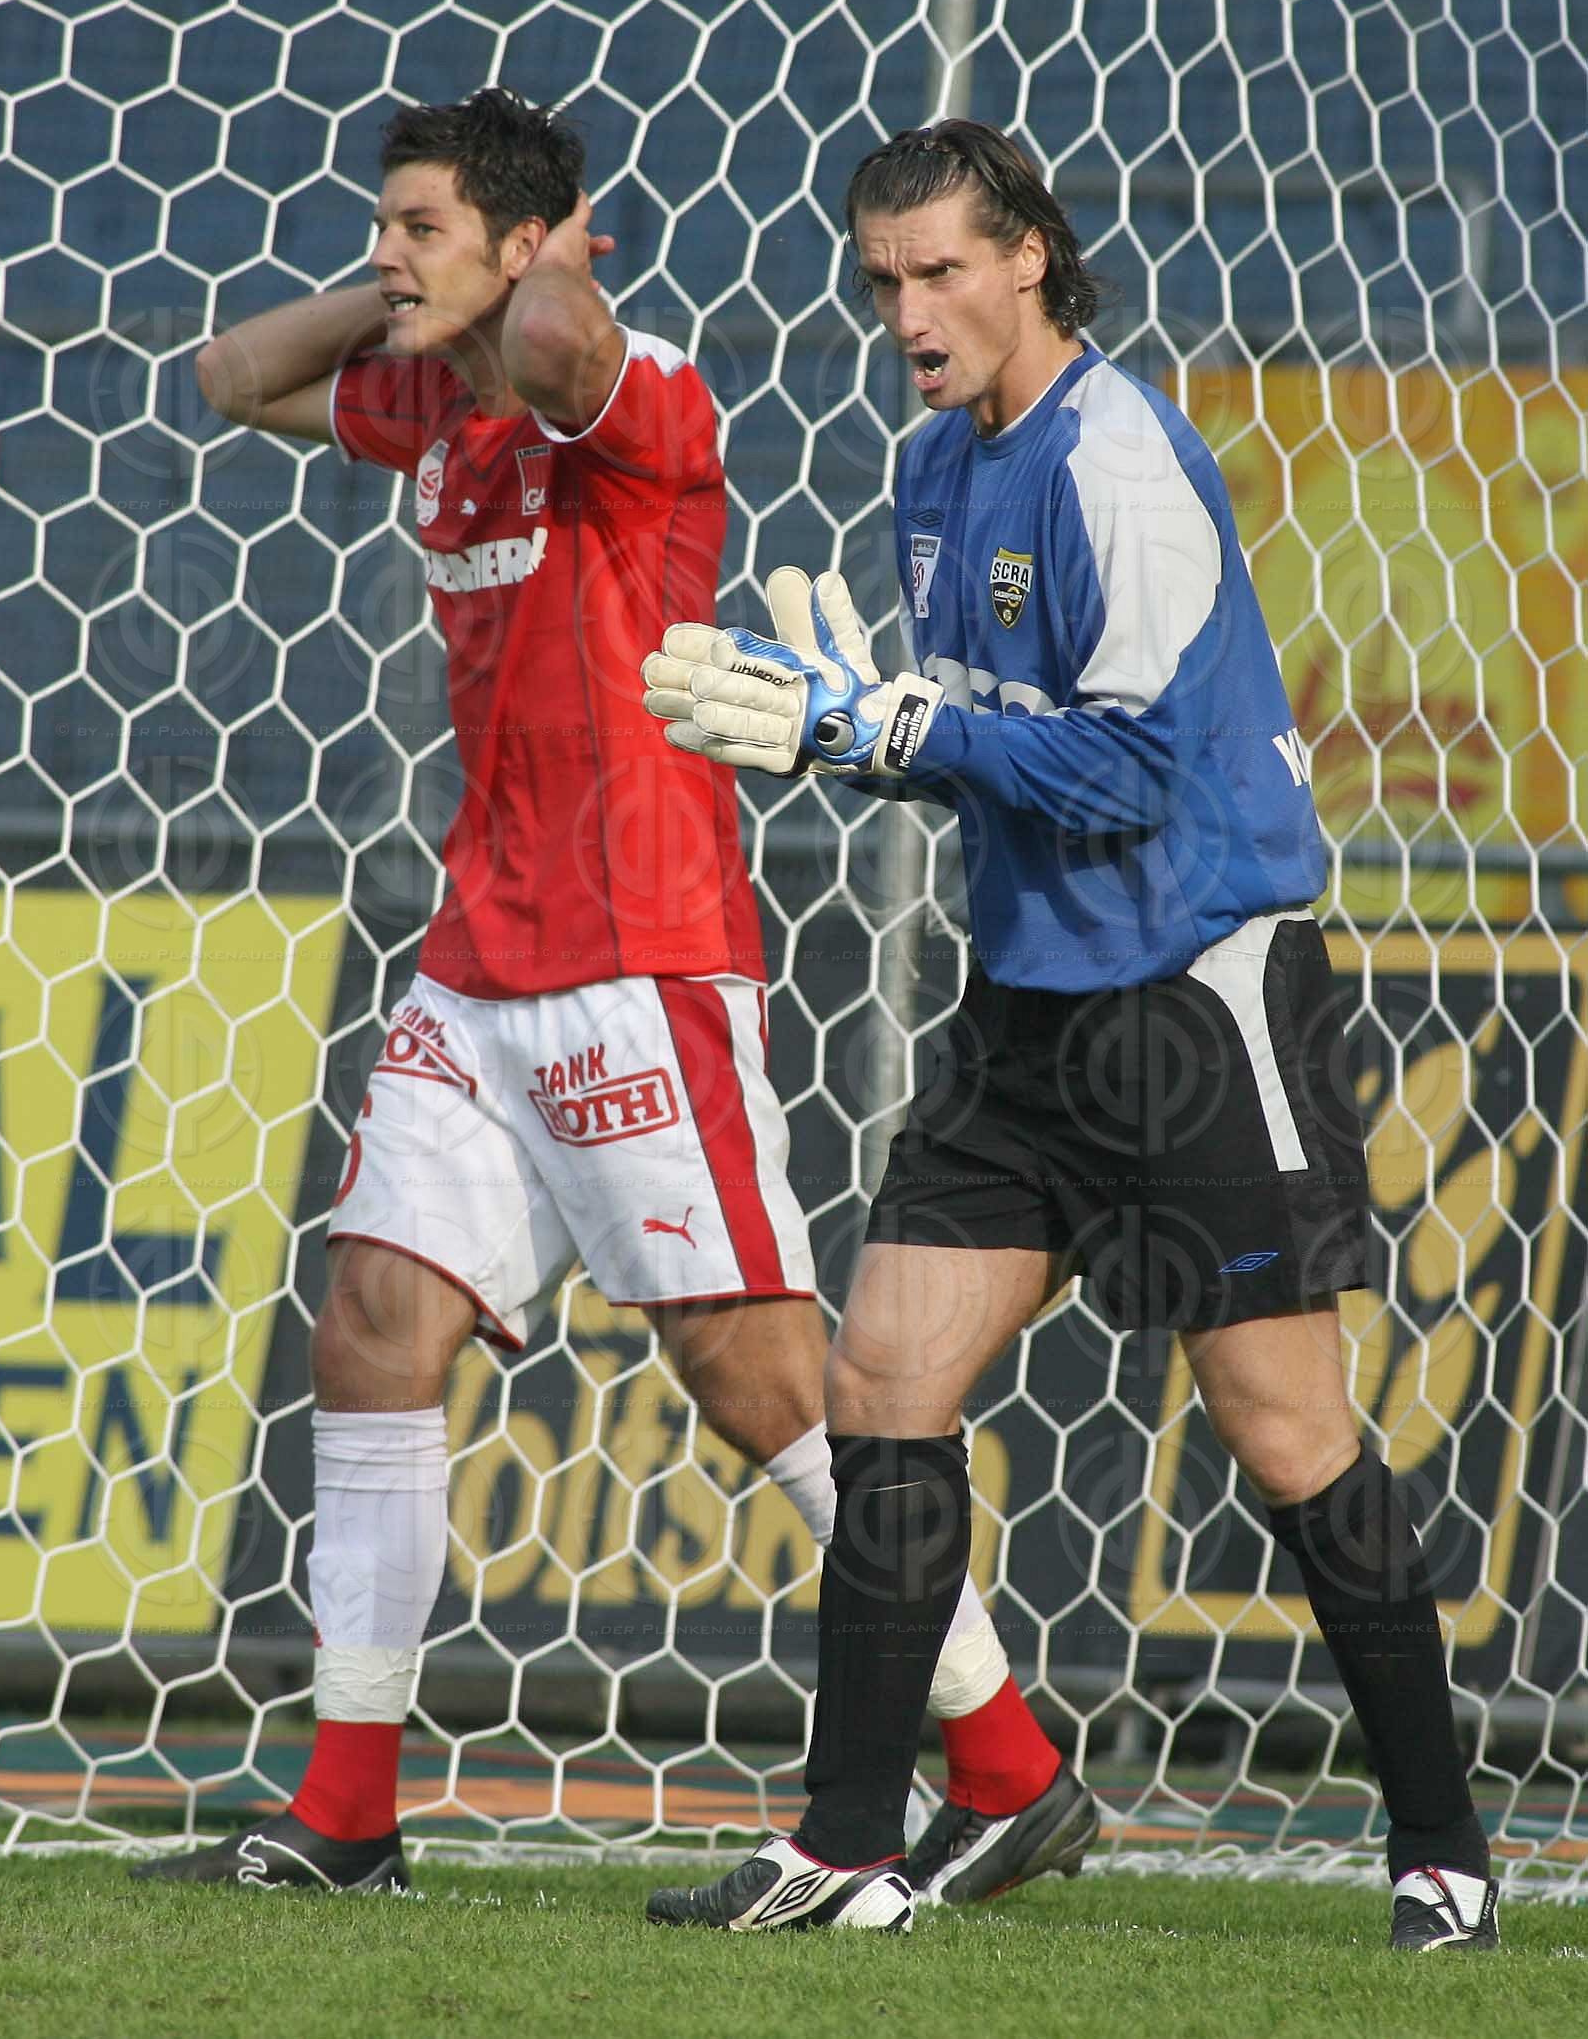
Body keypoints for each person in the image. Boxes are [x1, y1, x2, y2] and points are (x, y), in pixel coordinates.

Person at [133, 92, 1082, 1898]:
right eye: (383, 223)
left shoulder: (633, 393)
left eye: (420, 225)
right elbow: (226, 373)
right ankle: (342, 1814)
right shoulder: (427, 385)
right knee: (370, 1332)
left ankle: (1008, 1755)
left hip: (642, 962)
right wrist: (405, 287)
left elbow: (564, 340)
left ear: (531, 242)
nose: (387, 254)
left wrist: (520, 267)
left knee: (755, 1378)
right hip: (479, 959)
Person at [640, 119, 1498, 1950]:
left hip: (1192, 997)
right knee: (881, 1385)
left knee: (1285, 1439)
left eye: (940, 269)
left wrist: (887, 733)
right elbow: (990, 749)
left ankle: (1439, 1846)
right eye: (881, 281)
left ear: (1029, 255)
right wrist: (867, 713)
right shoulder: (928, 469)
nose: (908, 311)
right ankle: (848, 1847)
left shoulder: (1118, 457)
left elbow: (1122, 769)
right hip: (1024, 1007)